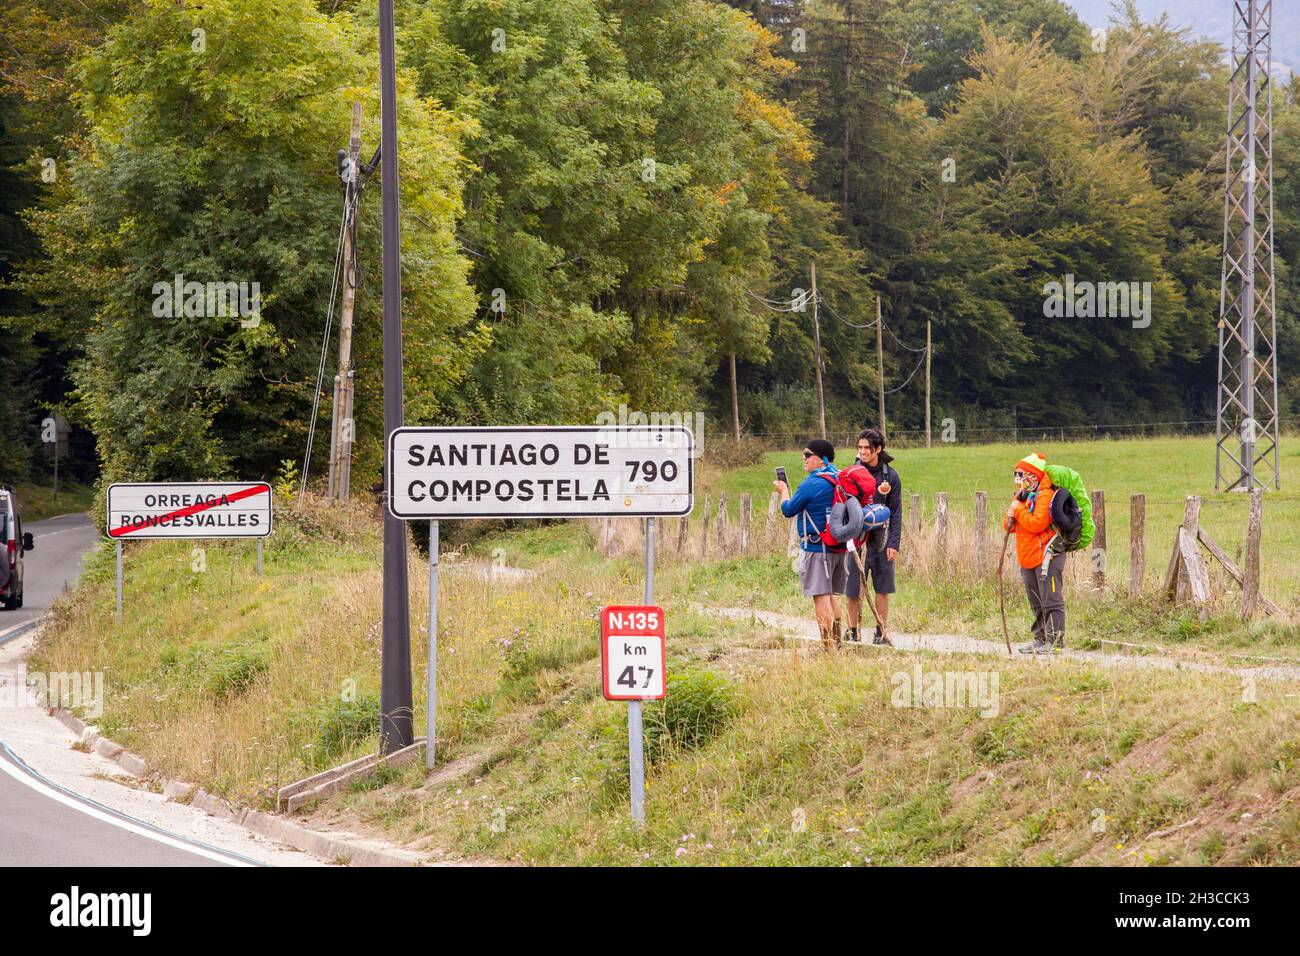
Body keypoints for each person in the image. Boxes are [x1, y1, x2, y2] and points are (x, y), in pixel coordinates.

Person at [775, 438, 846, 651]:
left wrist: (783, 491)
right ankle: (838, 644)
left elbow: (788, 509)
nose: (803, 458)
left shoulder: (812, 483)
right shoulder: (840, 477)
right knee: (832, 596)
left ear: (822, 458)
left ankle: (827, 650)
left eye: (807, 455)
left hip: (817, 549)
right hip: (839, 546)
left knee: (821, 598)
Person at [1003, 452, 1066, 654]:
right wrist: (1016, 509)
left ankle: (1055, 642)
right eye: (1016, 474)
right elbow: (1007, 525)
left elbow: (1037, 524)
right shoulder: (1023, 496)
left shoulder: (1045, 495)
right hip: (1028, 557)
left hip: (1048, 555)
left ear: (1032, 475)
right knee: (1036, 601)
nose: (1018, 479)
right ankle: (1040, 639)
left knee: (1051, 598)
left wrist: (1019, 510)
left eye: (1021, 474)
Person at [844, 428, 901, 644]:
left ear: (878, 449)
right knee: (852, 589)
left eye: (867, 448)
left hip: (882, 540)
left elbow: (896, 512)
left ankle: (881, 633)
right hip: (856, 539)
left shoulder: (891, 476)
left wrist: (894, 543)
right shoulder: (852, 473)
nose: (862, 452)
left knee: (882, 588)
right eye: (859, 447)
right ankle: (852, 632)